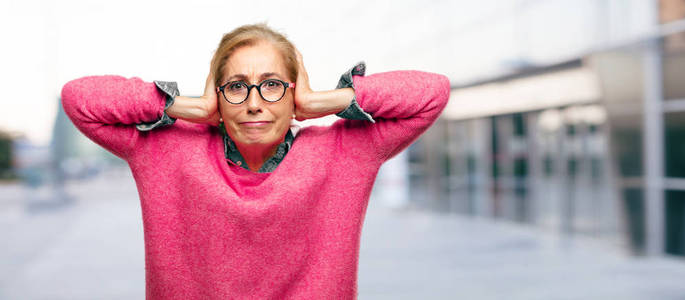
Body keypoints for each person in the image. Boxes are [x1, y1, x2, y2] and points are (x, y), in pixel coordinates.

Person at [61, 23, 450, 299]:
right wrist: (189, 106)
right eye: (235, 87)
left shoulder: (343, 154)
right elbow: (79, 98)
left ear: (294, 94)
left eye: (272, 84)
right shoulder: (165, 150)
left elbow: (431, 93)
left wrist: (320, 101)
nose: (253, 102)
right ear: (217, 96)